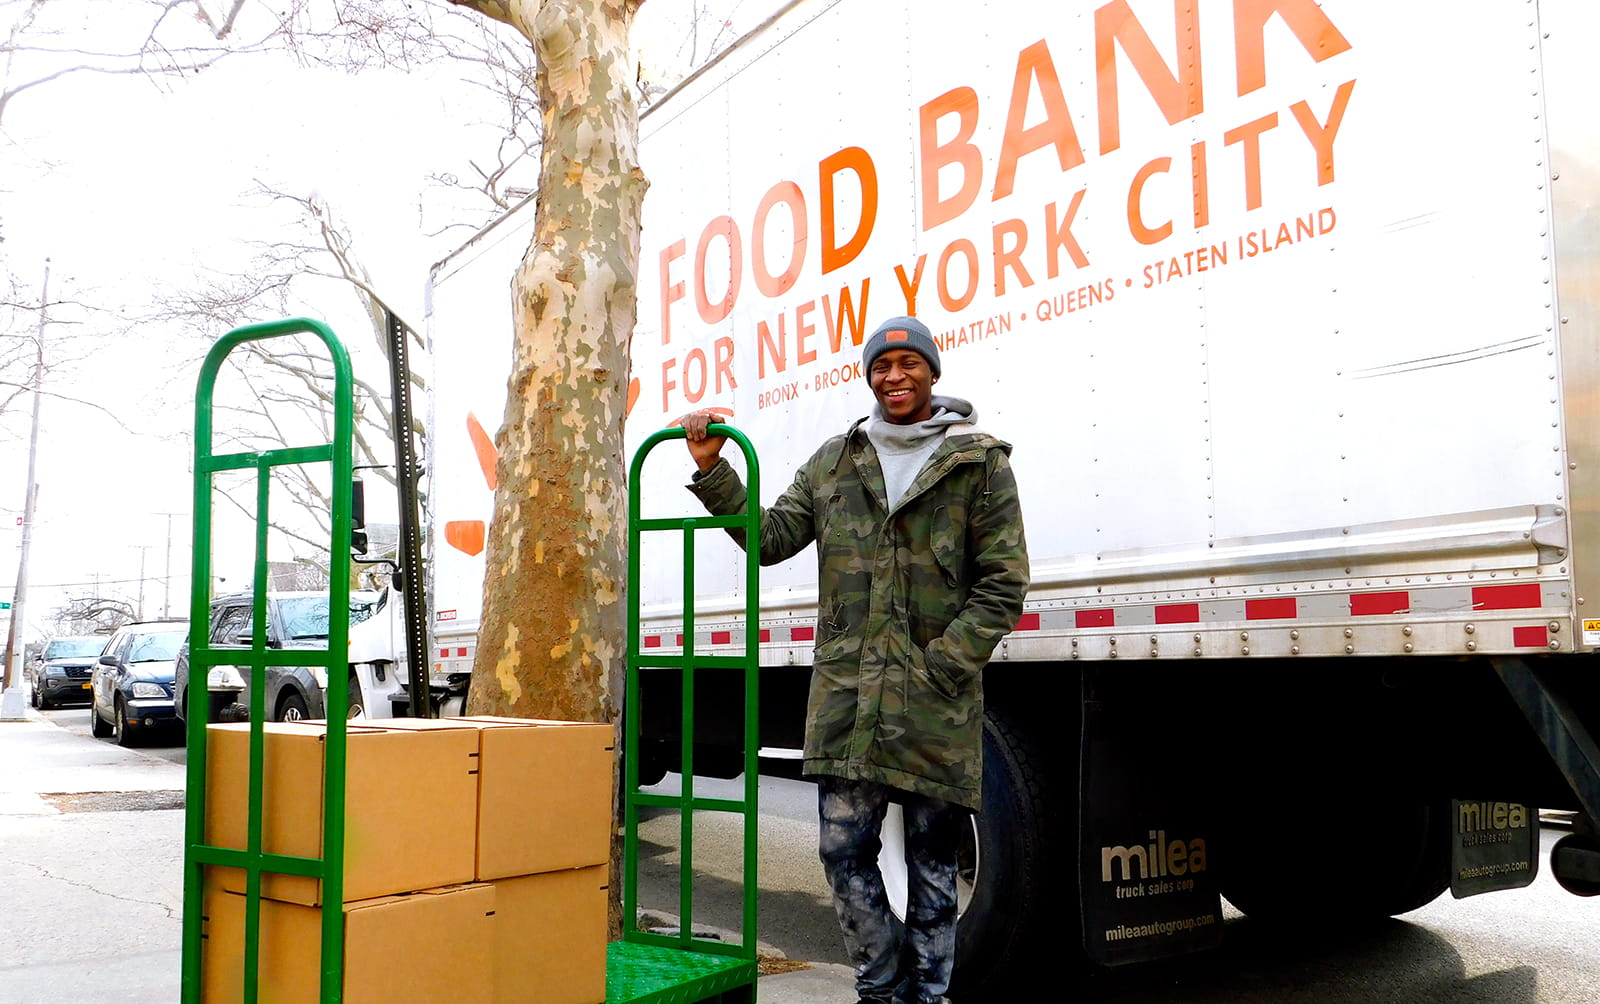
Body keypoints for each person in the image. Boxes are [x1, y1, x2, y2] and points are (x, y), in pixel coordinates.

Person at [679, 314, 1029, 1004]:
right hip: (850, 702)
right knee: (841, 851)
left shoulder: (978, 463)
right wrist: (713, 471)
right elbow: (771, 536)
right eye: (881, 365)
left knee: (931, 865)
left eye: (908, 363)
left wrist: (943, 665)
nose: (894, 377)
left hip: (935, 702)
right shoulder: (836, 460)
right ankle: (881, 987)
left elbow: (1003, 583)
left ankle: (928, 998)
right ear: (868, 376)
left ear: (932, 370)